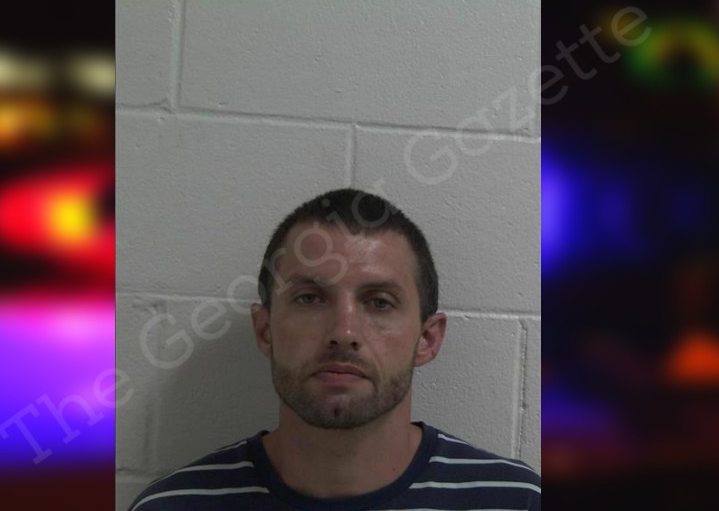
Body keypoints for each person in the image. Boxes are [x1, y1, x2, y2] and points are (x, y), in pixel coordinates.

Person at [128, 188, 540, 510]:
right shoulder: (173, 505)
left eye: (379, 302)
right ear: (265, 330)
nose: (343, 332)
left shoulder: (516, 501)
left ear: (427, 339)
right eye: (309, 298)